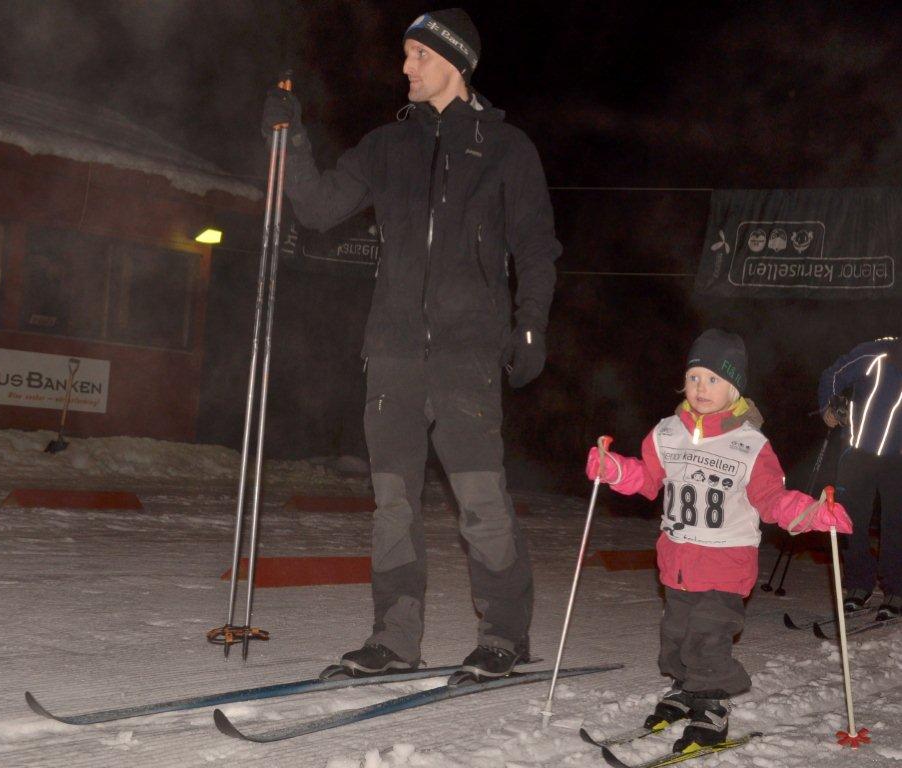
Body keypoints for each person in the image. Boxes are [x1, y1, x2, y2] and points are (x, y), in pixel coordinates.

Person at [260, 8, 561, 679]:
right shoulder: (388, 146)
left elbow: (537, 247)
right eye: (404, 54)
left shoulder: (506, 149)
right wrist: (292, 139)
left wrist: (530, 325)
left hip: (466, 355)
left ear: (455, 62)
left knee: (480, 503)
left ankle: (504, 634)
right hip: (392, 353)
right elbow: (317, 207)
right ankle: (394, 638)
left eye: (418, 55)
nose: (405, 67)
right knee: (392, 506)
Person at [585, 329, 852, 752]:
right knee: (676, 634)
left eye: (713, 379)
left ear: (734, 388)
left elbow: (772, 499)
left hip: (726, 564)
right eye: (693, 377)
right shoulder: (666, 433)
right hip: (676, 562)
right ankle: (685, 687)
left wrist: (812, 512)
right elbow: (648, 479)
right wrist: (614, 469)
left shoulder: (750, 445)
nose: (701, 387)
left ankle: (711, 704)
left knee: (708, 637)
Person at [818, 336, 902, 621]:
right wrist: (828, 406)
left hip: (898, 459)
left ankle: (895, 589)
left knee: (896, 523)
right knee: (852, 522)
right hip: (858, 452)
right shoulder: (875, 352)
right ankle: (858, 585)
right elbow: (833, 375)